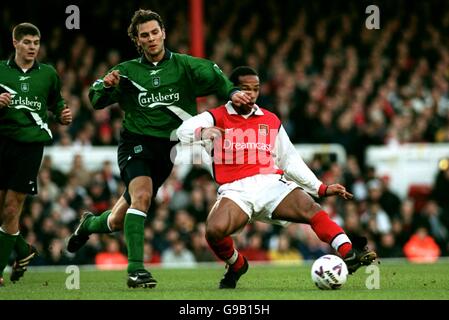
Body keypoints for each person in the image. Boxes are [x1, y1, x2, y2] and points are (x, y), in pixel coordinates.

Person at [66, 9, 251, 289]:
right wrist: (105, 86)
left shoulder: (185, 65)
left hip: (167, 149)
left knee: (117, 220)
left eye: (155, 32)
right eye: (144, 35)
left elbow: (214, 74)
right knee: (142, 197)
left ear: (163, 33)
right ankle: (136, 271)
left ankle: (89, 224)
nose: (151, 39)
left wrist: (231, 92)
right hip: (135, 143)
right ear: (137, 41)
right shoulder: (126, 71)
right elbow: (95, 99)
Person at [176, 66, 377, 289]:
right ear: (232, 90)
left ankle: (349, 253)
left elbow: (289, 160)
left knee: (311, 208)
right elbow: (182, 131)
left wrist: (320, 188)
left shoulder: (270, 119)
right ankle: (237, 264)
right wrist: (203, 132)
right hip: (235, 190)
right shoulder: (215, 116)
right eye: (245, 89)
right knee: (213, 231)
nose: (251, 94)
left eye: (256, 89)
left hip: (270, 182)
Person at [0, 23, 72, 287]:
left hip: (29, 147)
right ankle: (23, 250)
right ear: (15, 42)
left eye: (36, 42)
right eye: (27, 42)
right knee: (2, 212)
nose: (32, 47)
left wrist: (63, 114)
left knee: (10, 208)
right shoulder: (0, 70)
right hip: (2, 143)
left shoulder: (48, 74)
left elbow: (57, 102)